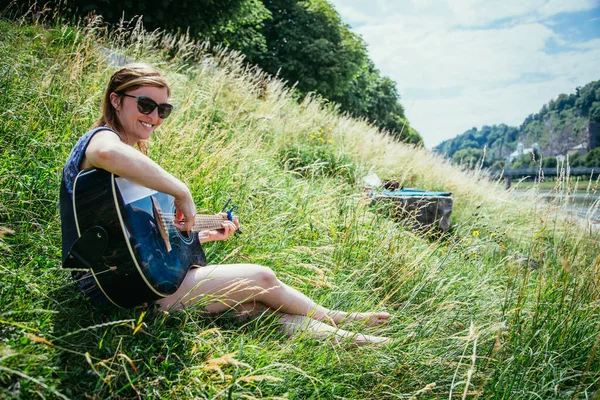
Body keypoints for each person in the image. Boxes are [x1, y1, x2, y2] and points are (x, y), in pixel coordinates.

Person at [60, 63, 391, 346]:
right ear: (116, 100)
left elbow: (136, 243)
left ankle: (349, 338)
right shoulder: (102, 140)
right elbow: (104, 151)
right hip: (119, 290)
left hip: (135, 283)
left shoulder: (130, 168)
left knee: (253, 310)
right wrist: (181, 191)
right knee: (261, 278)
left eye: (163, 110)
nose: (155, 117)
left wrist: (199, 235)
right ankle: (336, 317)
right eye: (146, 105)